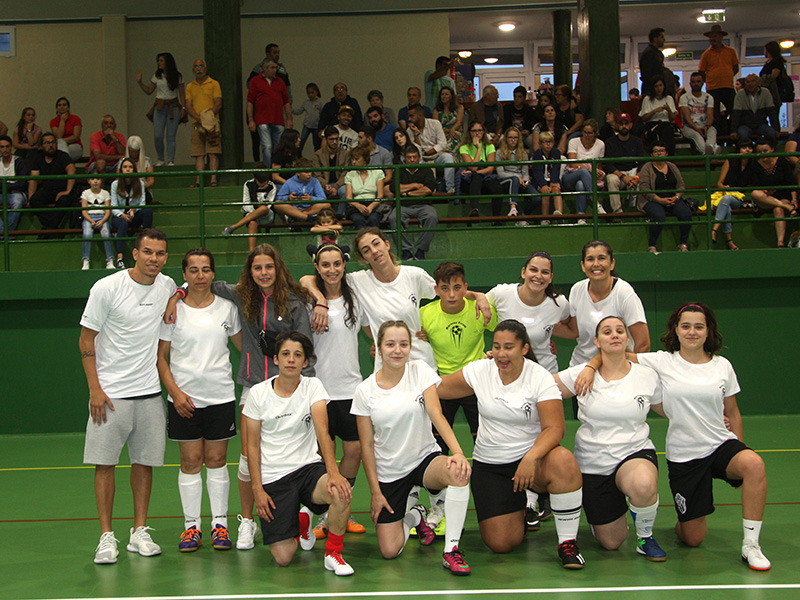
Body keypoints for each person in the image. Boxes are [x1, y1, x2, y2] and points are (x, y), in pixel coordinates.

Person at [576, 302, 771, 571]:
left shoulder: (723, 365)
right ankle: (686, 517)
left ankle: (751, 545)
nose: (692, 332)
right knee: (693, 538)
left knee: (754, 464)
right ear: (676, 331)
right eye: (686, 326)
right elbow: (614, 352)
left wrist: (739, 447)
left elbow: (733, 412)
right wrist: (589, 366)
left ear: (708, 331)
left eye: (699, 326)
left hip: (719, 443)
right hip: (685, 454)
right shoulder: (661, 361)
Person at [166, 244, 315, 552]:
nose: (263, 273)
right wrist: (176, 295)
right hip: (253, 386)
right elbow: (197, 282)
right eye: (257, 268)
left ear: (278, 268)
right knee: (249, 456)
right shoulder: (237, 295)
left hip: (292, 386)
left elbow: (305, 344)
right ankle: (246, 520)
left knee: (298, 453)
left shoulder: (296, 300)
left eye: (269, 267)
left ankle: (302, 515)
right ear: (249, 271)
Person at [437, 320, 585, 568]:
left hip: (531, 462)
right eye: (496, 347)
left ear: (524, 348)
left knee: (563, 460)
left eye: (509, 347)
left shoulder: (539, 377)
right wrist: (406, 374)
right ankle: (523, 506)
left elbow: (555, 428)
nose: (501, 354)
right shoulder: (480, 371)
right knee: (501, 544)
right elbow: (437, 389)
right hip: (492, 466)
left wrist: (531, 457)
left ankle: (567, 543)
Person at [80, 229, 176, 564]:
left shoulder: (166, 285)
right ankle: (107, 537)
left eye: (160, 253)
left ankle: (139, 531)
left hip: (149, 394)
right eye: (147, 252)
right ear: (134, 253)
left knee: (144, 464)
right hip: (110, 396)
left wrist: (175, 299)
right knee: (104, 465)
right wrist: (95, 388)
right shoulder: (107, 288)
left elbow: (180, 291)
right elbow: (86, 340)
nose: (153, 259)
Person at [352, 320, 473, 575]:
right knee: (389, 550)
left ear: (410, 347)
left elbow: (436, 414)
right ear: (379, 347)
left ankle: (451, 550)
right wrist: (375, 492)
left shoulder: (421, 371)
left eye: (404, 344)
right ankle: (417, 513)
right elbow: (366, 445)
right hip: (390, 471)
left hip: (424, 458)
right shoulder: (364, 391)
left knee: (458, 472)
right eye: (391, 344)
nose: (398, 350)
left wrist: (458, 453)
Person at [243, 331, 355, 575]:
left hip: (308, 469)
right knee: (283, 558)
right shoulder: (258, 394)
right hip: (274, 477)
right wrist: (257, 490)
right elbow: (251, 446)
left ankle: (333, 553)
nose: (291, 360)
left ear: (305, 362)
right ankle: (300, 522)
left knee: (341, 492)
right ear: (276, 359)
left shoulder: (313, 386)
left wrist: (334, 473)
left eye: (297, 355)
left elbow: (323, 434)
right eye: (285, 354)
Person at [555, 316, 665, 561]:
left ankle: (645, 536)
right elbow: (539, 388)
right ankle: (608, 514)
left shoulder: (646, 375)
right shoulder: (580, 375)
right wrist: (502, 363)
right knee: (612, 542)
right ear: (597, 341)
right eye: (607, 332)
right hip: (594, 463)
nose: (614, 335)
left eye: (619, 331)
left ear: (627, 338)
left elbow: (667, 408)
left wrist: (710, 416)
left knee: (644, 485)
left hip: (634, 452)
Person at [157, 249, 242, 552]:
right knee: (190, 462)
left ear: (213, 273)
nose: (200, 276)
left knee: (217, 460)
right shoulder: (173, 311)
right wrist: (177, 394)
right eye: (194, 270)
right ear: (185, 275)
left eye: (206, 269)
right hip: (184, 400)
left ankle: (220, 525)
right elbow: (161, 360)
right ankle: (190, 528)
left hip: (220, 397)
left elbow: (246, 350)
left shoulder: (227, 309)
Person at [299, 244, 365, 539]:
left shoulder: (355, 294)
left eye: (337, 264)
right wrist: (320, 300)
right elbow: (303, 280)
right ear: (317, 267)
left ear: (344, 264)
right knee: (325, 456)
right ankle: (326, 515)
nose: (332, 270)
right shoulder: (308, 298)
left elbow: (367, 328)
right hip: (319, 391)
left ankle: (341, 510)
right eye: (325, 265)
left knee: (355, 451)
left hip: (351, 389)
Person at [421, 261, 498, 455]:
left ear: (466, 287)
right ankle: (441, 483)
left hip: (476, 383)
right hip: (442, 384)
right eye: (445, 288)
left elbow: (507, 337)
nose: (452, 295)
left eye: (457, 287)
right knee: (439, 444)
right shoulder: (424, 314)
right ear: (436, 290)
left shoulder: (481, 310)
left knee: (484, 440)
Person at [568, 240, 650, 371]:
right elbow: (573, 330)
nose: (596, 264)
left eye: (602, 258)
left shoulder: (624, 293)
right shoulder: (576, 290)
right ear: (583, 266)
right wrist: (544, 332)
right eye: (590, 259)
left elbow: (643, 344)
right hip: (580, 369)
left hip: (614, 370)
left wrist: (632, 373)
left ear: (612, 263)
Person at [637, 143, 693, 252]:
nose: (659, 153)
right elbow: (644, 188)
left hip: (673, 199)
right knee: (659, 217)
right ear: (652, 154)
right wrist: (660, 200)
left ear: (666, 153)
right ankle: (652, 245)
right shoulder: (647, 167)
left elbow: (681, 185)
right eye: (656, 151)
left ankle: (683, 244)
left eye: (661, 150)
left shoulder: (672, 166)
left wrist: (676, 197)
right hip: (653, 200)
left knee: (686, 214)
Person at [136, 53, 186, 166]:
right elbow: (149, 90)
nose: (159, 63)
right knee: (158, 135)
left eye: (161, 60)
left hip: (173, 106)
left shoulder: (178, 76)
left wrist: (183, 107)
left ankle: (171, 161)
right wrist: (140, 82)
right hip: (159, 107)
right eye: (158, 61)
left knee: (171, 136)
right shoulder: (157, 76)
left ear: (168, 62)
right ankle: (160, 159)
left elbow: (182, 94)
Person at [390, 145, 438, 260]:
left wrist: (407, 193)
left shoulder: (426, 170)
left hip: (424, 205)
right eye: (409, 157)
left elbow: (428, 189)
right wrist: (415, 186)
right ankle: (405, 250)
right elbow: (394, 188)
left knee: (432, 216)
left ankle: (420, 250)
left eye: (414, 157)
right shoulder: (398, 170)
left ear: (419, 157)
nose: (412, 160)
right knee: (393, 218)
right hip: (403, 206)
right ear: (404, 158)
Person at [749, 137, 798, 248]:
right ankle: (787, 207)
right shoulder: (755, 164)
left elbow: (791, 182)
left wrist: (794, 199)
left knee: (778, 209)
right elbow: (756, 185)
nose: (762, 154)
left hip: (782, 195)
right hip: (765, 197)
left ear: (772, 149)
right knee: (755, 193)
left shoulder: (781, 162)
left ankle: (780, 242)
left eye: (765, 151)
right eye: (759, 152)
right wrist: (765, 191)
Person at [27, 132, 76, 237]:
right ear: (41, 146)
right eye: (47, 143)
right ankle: (53, 229)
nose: (51, 145)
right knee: (35, 199)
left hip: (62, 190)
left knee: (65, 199)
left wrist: (67, 190)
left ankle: (47, 231)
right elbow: (34, 179)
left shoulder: (62, 155)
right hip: (48, 191)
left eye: (53, 142)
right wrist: (30, 197)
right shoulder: (38, 157)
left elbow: (71, 170)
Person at [247, 60, 293, 169]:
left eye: (275, 68)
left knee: (278, 148)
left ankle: (276, 169)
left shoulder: (280, 82)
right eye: (272, 68)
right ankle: (269, 171)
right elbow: (250, 102)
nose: (274, 70)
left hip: (278, 120)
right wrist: (251, 120)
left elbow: (286, 102)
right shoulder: (255, 81)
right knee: (267, 146)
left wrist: (289, 118)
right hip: (262, 120)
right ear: (264, 68)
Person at [221, 164, 277, 251]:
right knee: (252, 222)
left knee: (264, 209)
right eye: (260, 182)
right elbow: (246, 203)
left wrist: (261, 196)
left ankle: (234, 227)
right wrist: (255, 212)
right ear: (255, 178)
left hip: (267, 216)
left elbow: (268, 205)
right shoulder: (248, 184)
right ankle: (251, 252)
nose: (264, 184)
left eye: (265, 181)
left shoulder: (272, 186)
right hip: (250, 214)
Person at [185, 59, 222, 188]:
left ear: (205, 68)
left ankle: (213, 181)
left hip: (212, 123)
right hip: (196, 123)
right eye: (196, 66)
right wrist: (198, 118)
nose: (199, 69)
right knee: (198, 153)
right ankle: (198, 181)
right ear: (193, 70)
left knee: (213, 152)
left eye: (201, 66)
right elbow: (188, 105)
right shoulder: (190, 86)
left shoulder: (214, 84)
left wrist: (208, 118)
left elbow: (218, 103)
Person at [712, 139, 754, 250]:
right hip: (724, 195)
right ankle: (730, 241)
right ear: (739, 150)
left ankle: (714, 228)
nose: (747, 150)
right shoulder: (730, 161)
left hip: (738, 198)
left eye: (749, 148)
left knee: (728, 199)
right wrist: (724, 187)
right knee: (727, 207)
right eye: (744, 148)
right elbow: (719, 183)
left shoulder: (754, 164)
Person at [111, 158, 153, 268]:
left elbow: (142, 204)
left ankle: (147, 244)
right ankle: (120, 258)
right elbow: (113, 206)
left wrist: (134, 210)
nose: (128, 169)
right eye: (125, 167)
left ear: (134, 169)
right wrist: (122, 215)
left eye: (130, 167)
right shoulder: (115, 184)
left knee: (148, 211)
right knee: (123, 223)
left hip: (134, 215)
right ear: (121, 170)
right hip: (119, 216)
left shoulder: (140, 183)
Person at [699, 24, 739, 137]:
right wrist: (710, 80)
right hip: (712, 88)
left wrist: (727, 76)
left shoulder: (731, 51)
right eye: (711, 37)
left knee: (733, 111)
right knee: (714, 114)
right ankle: (717, 136)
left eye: (715, 36)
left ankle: (733, 132)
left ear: (721, 37)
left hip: (728, 86)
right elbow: (702, 71)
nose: (712, 39)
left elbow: (735, 67)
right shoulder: (706, 54)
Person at [406, 104, 455, 194]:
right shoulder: (409, 130)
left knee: (448, 158)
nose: (409, 119)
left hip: (436, 155)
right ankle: (429, 190)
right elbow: (416, 149)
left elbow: (442, 144)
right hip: (422, 158)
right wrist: (416, 134)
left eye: (411, 116)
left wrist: (428, 153)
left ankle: (450, 189)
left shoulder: (435, 123)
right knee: (417, 161)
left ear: (420, 115)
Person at [459, 120, 502, 220]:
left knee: (497, 187)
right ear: (469, 132)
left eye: (479, 130)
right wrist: (478, 148)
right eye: (474, 131)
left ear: (483, 132)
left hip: (485, 178)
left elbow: (490, 168)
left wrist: (476, 172)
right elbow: (473, 166)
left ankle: (496, 219)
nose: (477, 133)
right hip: (468, 181)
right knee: (476, 177)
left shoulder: (490, 146)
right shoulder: (464, 147)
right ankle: (474, 210)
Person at [563, 119, 605, 220]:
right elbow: (572, 164)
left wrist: (596, 171)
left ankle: (581, 217)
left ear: (595, 133)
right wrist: (589, 169)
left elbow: (598, 167)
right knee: (583, 171)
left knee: (580, 185)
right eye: (584, 132)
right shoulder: (574, 142)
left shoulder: (600, 144)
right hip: (570, 176)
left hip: (588, 179)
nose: (586, 135)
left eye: (589, 133)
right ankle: (595, 201)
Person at [604, 113, 645, 215]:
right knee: (611, 179)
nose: (624, 126)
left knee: (646, 177)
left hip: (634, 172)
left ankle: (642, 211)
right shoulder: (610, 142)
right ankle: (618, 213)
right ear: (617, 125)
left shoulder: (637, 141)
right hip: (618, 174)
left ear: (631, 125)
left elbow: (642, 162)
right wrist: (623, 177)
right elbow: (609, 165)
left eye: (626, 123)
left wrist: (636, 177)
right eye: (621, 124)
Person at [497, 126, 536, 224]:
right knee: (514, 179)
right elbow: (501, 173)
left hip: (520, 180)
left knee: (536, 197)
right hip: (506, 181)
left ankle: (523, 216)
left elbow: (525, 172)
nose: (513, 140)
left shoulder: (523, 153)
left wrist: (526, 180)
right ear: (506, 139)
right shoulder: (499, 152)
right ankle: (513, 208)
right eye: (510, 137)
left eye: (515, 138)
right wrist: (516, 176)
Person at [275, 157, 330, 223]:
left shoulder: (315, 181)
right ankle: (306, 217)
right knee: (277, 205)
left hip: (310, 208)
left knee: (326, 204)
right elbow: (278, 198)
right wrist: (288, 198)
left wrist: (311, 199)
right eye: (306, 172)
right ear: (298, 173)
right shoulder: (289, 182)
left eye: (310, 171)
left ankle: (297, 217)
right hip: (293, 208)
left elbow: (323, 198)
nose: (309, 174)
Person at [343, 146, 384, 230]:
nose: (354, 162)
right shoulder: (350, 174)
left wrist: (371, 207)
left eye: (357, 159)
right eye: (353, 159)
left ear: (365, 159)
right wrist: (358, 205)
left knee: (373, 219)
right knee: (358, 220)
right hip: (356, 205)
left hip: (373, 203)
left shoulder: (378, 172)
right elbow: (348, 198)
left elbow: (380, 196)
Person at [730, 74, 779, 144]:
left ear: (758, 83)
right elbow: (736, 114)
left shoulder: (765, 92)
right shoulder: (740, 94)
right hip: (745, 125)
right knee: (742, 135)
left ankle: (772, 153)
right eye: (748, 82)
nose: (750, 84)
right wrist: (733, 131)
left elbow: (772, 113)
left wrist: (776, 129)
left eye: (753, 81)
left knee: (772, 133)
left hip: (761, 125)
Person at [80, 176, 114, 270]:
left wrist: (102, 221)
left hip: (102, 218)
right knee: (87, 235)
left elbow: (108, 211)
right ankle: (86, 260)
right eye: (92, 179)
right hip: (89, 218)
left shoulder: (105, 193)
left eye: (98, 179)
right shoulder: (85, 193)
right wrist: (91, 221)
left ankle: (110, 260)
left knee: (106, 234)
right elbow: (84, 211)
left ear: (101, 180)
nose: (95, 181)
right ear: (88, 181)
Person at [679, 72, 718, 156]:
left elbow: (710, 115)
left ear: (703, 82)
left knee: (713, 131)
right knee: (696, 135)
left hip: (705, 125)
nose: (696, 84)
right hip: (689, 127)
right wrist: (697, 129)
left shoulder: (709, 97)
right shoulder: (684, 97)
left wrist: (706, 126)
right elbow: (687, 116)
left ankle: (710, 149)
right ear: (690, 84)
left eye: (698, 81)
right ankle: (712, 154)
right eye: (693, 82)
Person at [0, 134, 30, 238]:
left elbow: (22, 183)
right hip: (3, 194)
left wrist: (3, 185)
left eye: (7, 146)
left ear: (11, 147)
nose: (5, 149)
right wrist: (11, 186)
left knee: (17, 201)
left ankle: (7, 233)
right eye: (2, 147)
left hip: (17, 194)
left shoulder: (19, 162)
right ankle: (4, 233)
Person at [638, 75, 677, 155]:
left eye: (660, 85)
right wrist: (654, 111)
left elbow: (672, 118)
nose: (659, 88)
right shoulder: (647, 99)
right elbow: (644, 118)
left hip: (666, 124)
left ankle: (668, 157)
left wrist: (668, 109)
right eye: (656, 86)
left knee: (668, 132)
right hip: (652, 125)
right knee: (656, 134)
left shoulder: (669, 98)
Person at [530, 131, 564, 223]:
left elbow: (556, 168)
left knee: (556, 189)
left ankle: (559, 215)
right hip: (541, 181)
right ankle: (545, 218)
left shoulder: (556, 153)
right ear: (540, 144)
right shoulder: (537, 154)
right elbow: (537, 172)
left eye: (550, 142)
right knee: (546, 191)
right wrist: (543, 184)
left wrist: (553, 182)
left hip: (553, 179)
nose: (548, 145)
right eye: (545, 142)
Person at [312, 126, 348, 203]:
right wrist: (325, 185)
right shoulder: (317, 154)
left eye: (337, 139)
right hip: (323, 184)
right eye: (331, 139)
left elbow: (346, 173)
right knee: (318, 192)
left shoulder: (345, 154)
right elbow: (317, 175)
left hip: (340, 183)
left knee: (345, 191)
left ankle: (340, 214)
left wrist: (336, 186)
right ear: (326, 139)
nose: (335, 142)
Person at [639, 28, 673, 98]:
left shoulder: (655, 53)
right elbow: (647, 74)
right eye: (662, 37)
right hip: (651, 92)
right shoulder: (649, 53)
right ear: (655, 38)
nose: (664, 40)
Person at [432, 86, 464, 156]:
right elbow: (436, 127)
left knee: (455, 136)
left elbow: (459, 122)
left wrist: (453, 129)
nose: (444, 96)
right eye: (442, 94)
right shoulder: (436, 110)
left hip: (455, 132)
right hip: (442, 134)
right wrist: (449, 130)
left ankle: (457, 161)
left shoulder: (459, 108)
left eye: (446, 94)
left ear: (451, 96)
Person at [50, 96, 83, 162]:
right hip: (59, 146)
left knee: (61, 152)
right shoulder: (53, 121)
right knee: (60, 151)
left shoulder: (76, 119)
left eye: (64, 105)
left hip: (74, 146)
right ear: (57, 108)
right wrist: (62, 121)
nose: (62, 106)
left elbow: (76, 137)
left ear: (68, 107)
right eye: (59, 105)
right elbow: (58, 135)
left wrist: (61, 141)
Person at [293, 83, 323, 153]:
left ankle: (317, 156)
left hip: (316, 126)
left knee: (316, 143)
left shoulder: (319, 103)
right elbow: (299, 111)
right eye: (308, 93)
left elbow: (322, 114)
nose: (310, 95)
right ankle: (298, 155)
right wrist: (291, 109)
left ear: (316, 92)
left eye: (312, 93)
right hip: (307, 125)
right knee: (302, 140)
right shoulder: (306, 103)